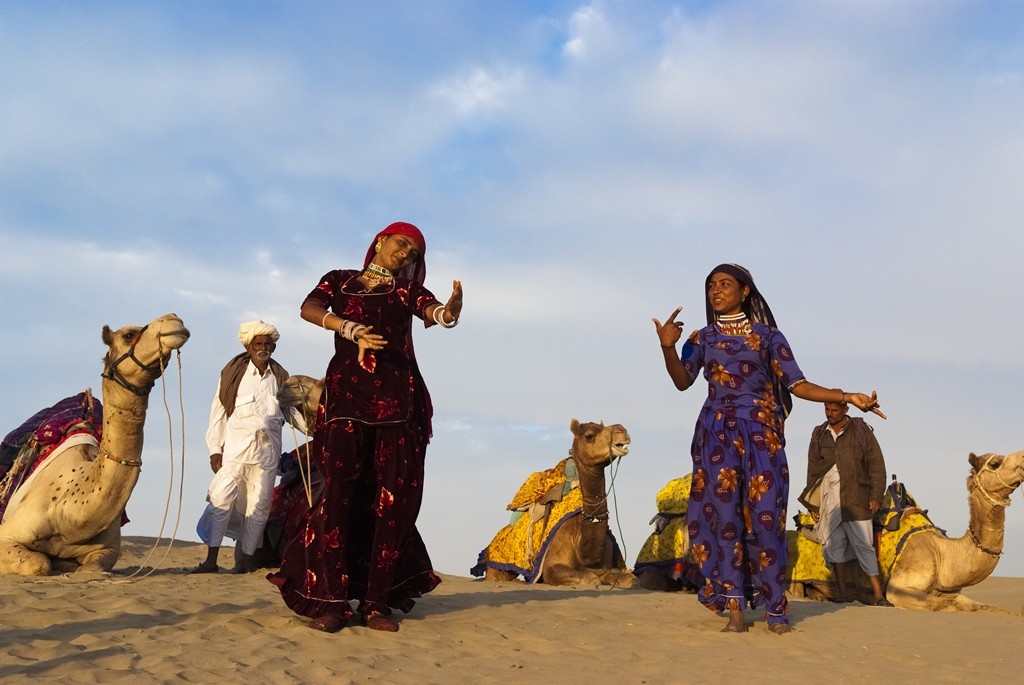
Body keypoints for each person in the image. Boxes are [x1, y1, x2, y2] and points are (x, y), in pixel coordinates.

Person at [652, 263, 886, 635]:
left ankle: (776, 609)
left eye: (725, 284)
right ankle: (734, 610)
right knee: (725, 521)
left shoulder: (769, 337)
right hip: (717, 436)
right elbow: (683, 381)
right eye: (712, 285)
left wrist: (846, 396)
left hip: (762, 435)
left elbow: (799, 384)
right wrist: (667, 348)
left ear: (745, 291)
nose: (716, 290)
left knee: (766, 520)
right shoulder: (702, 339)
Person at [268, 221, 462, 633]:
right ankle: (330, 602)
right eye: (401, 243)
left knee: (391, 503)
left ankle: (376, 604)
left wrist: (449, 313)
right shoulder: (339, 280)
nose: (406, 254)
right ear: (380, 241)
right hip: (345, 400)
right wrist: (347, 327)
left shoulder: (407, 290)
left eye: (414, 253)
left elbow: (433, 311)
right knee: (337, 496)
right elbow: (308, 307)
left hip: (398, 405)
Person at [192, 320, 295, 575]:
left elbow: (293, 413)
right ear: (249, 347)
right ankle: (211, 560)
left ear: (273, 346)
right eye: (258, 343)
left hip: (266, 454)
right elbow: (218, 413)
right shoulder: (233, 376)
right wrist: (215, 447)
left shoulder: (280, 377)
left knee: (259, 507)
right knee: (221, 498)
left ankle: (246, 560)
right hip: (235, 452)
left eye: (267, 344)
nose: (263, 347)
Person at [803, 401, 892, 606]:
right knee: (835, 545)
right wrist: (813, 505)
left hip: (856, 498)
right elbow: (813, 470)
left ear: (846, 410)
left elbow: (876, 464)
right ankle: (842, 594)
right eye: (827, 409)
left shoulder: (861, 431)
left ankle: (878, 595)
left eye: (834, 410)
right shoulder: (819, 434)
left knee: (864, 545)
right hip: (829, 500)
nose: (830, 414)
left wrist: (876, 496)